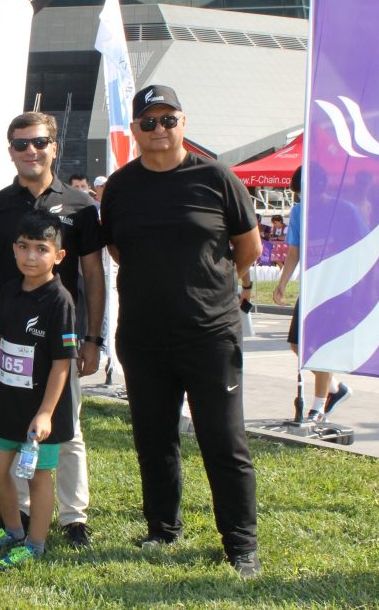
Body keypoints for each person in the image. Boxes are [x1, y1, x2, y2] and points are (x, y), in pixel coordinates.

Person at [100, 85, 263, 578]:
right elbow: (118, 249)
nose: (159, 129)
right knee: (154, 440)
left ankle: (240, 544)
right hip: (143, 336)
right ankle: (163, 529)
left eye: (168, 119)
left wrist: (209, 287)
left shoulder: (216, 177)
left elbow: (249, 247)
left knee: (224, 441)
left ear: (183, 123)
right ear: (135, 130)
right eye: (149, 122)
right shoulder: (120, 187)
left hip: (210, 335)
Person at [0, 111, 104, 548]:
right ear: (10, 151)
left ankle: (73, 516)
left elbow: (93, 275)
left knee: (65, 425)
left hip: (60, 337)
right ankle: (20, 512)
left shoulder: (81, 206)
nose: (31, 150)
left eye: (39, 142)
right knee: (9, 420)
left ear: (54, 147)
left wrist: (93, 338)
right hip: (7, 334)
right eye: (21, 143)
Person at [0, 211, 76, 569]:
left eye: (41, 249)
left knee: (37, 475)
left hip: (41, 410)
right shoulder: (8, 291)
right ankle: (13, 530)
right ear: (14, 249)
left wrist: (46, 413)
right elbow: (0, 348)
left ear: (58, 256)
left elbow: (62, 363)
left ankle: (35, 544)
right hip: (8, 402)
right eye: (23, 247)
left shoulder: (60, 301)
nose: (31, 256)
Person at [273, 166, 351, 423]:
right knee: (298, 344)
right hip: (311, 287)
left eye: (306, 193)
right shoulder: (298, 211)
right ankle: (335, 388)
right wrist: (282, 283)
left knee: (321, 347)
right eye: (299, 194)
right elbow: (294, 251)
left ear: (322, 187)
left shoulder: (344, 210)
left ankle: (318, 408)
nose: (303, 199)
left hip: (336, 290)